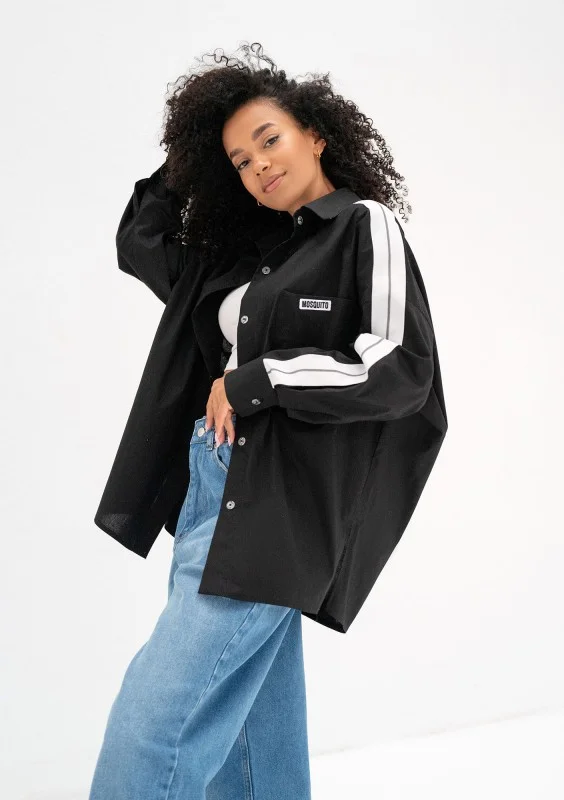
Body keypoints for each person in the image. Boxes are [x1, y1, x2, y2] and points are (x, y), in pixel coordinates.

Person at [89, 41, 447, 799]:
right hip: (210, 484)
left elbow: (397, 366)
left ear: (315, 134)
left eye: (269, 140)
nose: (259, 166)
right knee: (253, 743)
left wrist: (257, 379)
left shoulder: (363, 225)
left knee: (158, 716)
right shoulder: (240, 257)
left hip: (279, 496)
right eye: (240, 161)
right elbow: (140, 243)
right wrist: (188, 163)